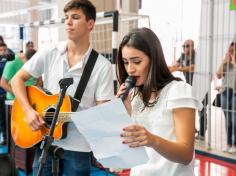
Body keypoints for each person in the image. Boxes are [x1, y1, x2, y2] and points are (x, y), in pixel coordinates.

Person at [11, 0, 114, 175]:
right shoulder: (49, 52)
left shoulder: (102, 66)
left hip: (79, 147)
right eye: (66, 17)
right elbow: (17, 80)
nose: (68, 21)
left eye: (75, 17)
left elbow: (102, 111)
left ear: (90, 24)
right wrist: (28, 110)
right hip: (45, 141)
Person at [116, 28, 202, 176]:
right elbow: (126, 148)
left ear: (154, 59)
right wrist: (121, 112)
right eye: (125, 62)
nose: (130, 69)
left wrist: (152, 140)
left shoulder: (179, 91)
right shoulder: (134, 95)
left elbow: (186, 155)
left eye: (137, 61)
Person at [216, 41, 236, 153]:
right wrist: (224, 62)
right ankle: (228, 143)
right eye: (229, 50)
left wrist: (233, 60)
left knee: (234, 119)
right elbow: (218, 75)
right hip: (224, 92)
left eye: (233, 50)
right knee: (227, 120)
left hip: (235, 92)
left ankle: (235, 144)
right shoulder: (225, 62)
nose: (231, 52)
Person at [0, 43, 8, 145]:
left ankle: (7, 138)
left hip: (7, 94)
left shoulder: (8, 62)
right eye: (0, 50)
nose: (2, 52)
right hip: (1, 94)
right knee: (2, 119)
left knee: (7, 118)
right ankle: (5, 138)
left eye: (4, 50)